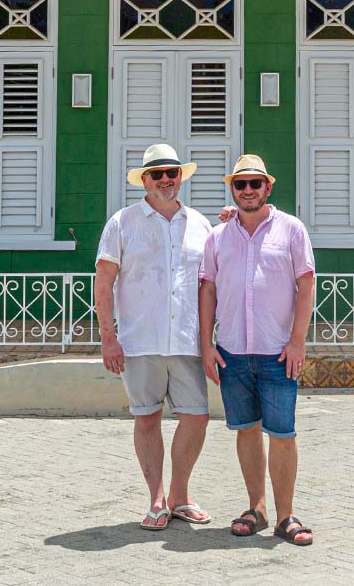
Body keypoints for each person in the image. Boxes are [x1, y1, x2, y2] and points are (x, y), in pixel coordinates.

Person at [94, 143, 215, 531]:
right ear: (144, 180)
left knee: (196, 417)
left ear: (181, 177)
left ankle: (180, 496)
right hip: (140, 339)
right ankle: (156, 500)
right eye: (157, 174)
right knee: (147, 418)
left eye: (172, 173)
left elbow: (212, 282)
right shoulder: (122, 222)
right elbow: (104, 282)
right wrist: (108, 337)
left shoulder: (201, 224)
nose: (166, 180)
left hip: (187, 339)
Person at [199, 153, 316, 547]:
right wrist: (206, 346)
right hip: (232, 351)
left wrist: (298, 340)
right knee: (246, 430)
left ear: (268, 187)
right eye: (240, 184)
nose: (247, 190)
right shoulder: (218, 236)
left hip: (277, 352)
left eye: (255, 183)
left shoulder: (292, 230)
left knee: (282, 432)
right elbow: (208, 290)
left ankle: (287, 516)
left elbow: (306, 284)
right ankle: (257, 508)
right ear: (232, 189)